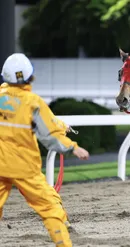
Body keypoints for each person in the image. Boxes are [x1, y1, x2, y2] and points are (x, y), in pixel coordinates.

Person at [0, 53, 90, 247]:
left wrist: (58, 124)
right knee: (50, 208)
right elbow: (48, 134)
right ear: (29, 76)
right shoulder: (33, 102)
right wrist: (72, 147)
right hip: (25, 169)